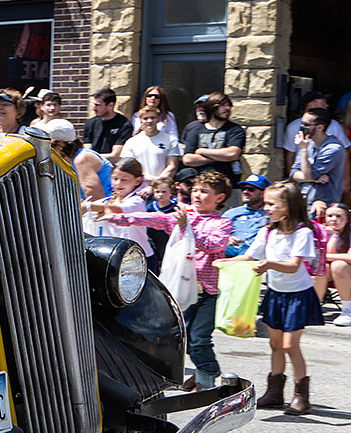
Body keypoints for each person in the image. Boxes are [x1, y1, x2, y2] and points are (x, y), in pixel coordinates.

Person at [97, 173, 235, 389]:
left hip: (206, 292)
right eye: (196, 190)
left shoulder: (222, 223)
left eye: (205, 191)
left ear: (220, 197)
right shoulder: (184, 215)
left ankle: (207, 379)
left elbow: (215, 247)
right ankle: (200, 373)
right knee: (181, 338)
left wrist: (187, 227)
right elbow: (152, 219)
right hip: (180, 289)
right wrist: (114, 217)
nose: (197, 195)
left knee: (199, 338)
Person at [246, 182, 322, 414]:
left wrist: (268, 265)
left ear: (287, 206)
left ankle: (301, 395)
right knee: (275, 344)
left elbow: (293, 266)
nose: (266, 208)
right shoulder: (267, 232)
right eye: (266, 203)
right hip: (276, 294)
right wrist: (223, 264)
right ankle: (274, 393)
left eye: (271, 204)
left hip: (298, 295)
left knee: (290, 345)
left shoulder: (303, 232)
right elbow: (249, 256)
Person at [314, 202, 351, 327]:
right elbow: (327, 255)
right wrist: (334, 235)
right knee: (323, 267)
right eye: (330, 216)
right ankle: (314, 309)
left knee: (338, 265)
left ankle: (347, 311)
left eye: (339, 216)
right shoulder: (321, 230)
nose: (334, 219)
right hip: (327, 269)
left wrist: (323, 256)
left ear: (347, 219)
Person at [179, 91, 247, 181]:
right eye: (222, 105)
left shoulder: (235, 130)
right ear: (211, 108)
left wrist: (202, 151)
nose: (227, 108)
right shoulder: (195, 130)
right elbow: (188, 159)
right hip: (200, 182)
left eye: (229, 105)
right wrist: (221, 157)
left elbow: (232, 154)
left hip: (227, 184)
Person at [292, 107, 345, 210]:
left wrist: (303, 150)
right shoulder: (308, 143)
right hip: (303, 201)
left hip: (322, 205)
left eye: (306, 125)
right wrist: (313, 179)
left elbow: (309, 174)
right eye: (302, 124)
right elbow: (293, 173)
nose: (302, 127)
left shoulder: (333, 148)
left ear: (320, 127)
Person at [123, 106, 181, 189]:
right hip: (138, 188)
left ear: (158, 119)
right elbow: (128, 166)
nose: (149, 121)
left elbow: (172, 166)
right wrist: (145, 178)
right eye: (145, 118)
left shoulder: (170, 140)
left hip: (162, 190)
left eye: (153, 118)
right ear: (140, 120)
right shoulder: (131, 142)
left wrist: (157, 183)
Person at [223, 173, 270, 256]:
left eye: (251, 189)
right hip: (230, 250)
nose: (245, 192)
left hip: (254, 252)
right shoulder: (231, 213)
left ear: (264, 193)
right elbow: (218, 233)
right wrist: (227, 239)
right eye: (243, 189)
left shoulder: (270, 213)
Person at [81, 87, 133, 159]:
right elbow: (87, 150)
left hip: (111, 167)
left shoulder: (124, 125)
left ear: (110, 105)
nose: (93, 108)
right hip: (92, 166)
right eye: (94, 104)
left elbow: (115, 156)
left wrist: (91, 157)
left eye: (97, 105)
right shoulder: (90, 123)